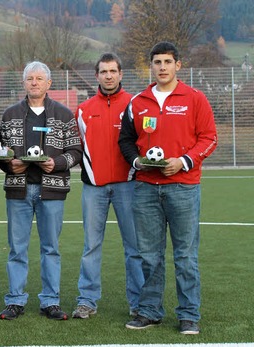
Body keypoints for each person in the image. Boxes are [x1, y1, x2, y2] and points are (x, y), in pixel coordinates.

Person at [119, 41, 217, 335]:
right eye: (157, 62)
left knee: (185, 256)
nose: (162, 67)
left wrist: (184, 161)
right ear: (151, 66)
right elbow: (125, 140)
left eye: (167, 62)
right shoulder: (138, 102)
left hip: (183, 188)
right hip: (147, 188)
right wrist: (137, 161)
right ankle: (149, 311)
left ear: (178, 65)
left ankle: (188, 314)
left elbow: (209, 138)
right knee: (149, 255)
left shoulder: (195, 98)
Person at [0, 61, 82, 321]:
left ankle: (50, 301)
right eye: (30, 78)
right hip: (18, 191)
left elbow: (76, 151)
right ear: (24, 83)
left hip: (52, 190)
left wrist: (55, 163)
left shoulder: (65, 115)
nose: (34, 83)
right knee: (17, 249)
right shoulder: (10, 114)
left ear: (49, 83)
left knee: (51, 248)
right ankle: (15, 300)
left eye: (39, 78)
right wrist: (8, 165)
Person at [72, 53, 143, 319]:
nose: (109, 76)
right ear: (97, 75)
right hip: (94, 188)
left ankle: (138, 303)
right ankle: (87, 301)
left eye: (113, 71)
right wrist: (91, 173)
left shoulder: (135, 105)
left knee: (134, 247)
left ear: (121, 74)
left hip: (128, 186)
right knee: (91, 246)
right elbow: (77, 148)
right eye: (104, 71)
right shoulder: (83, 109)